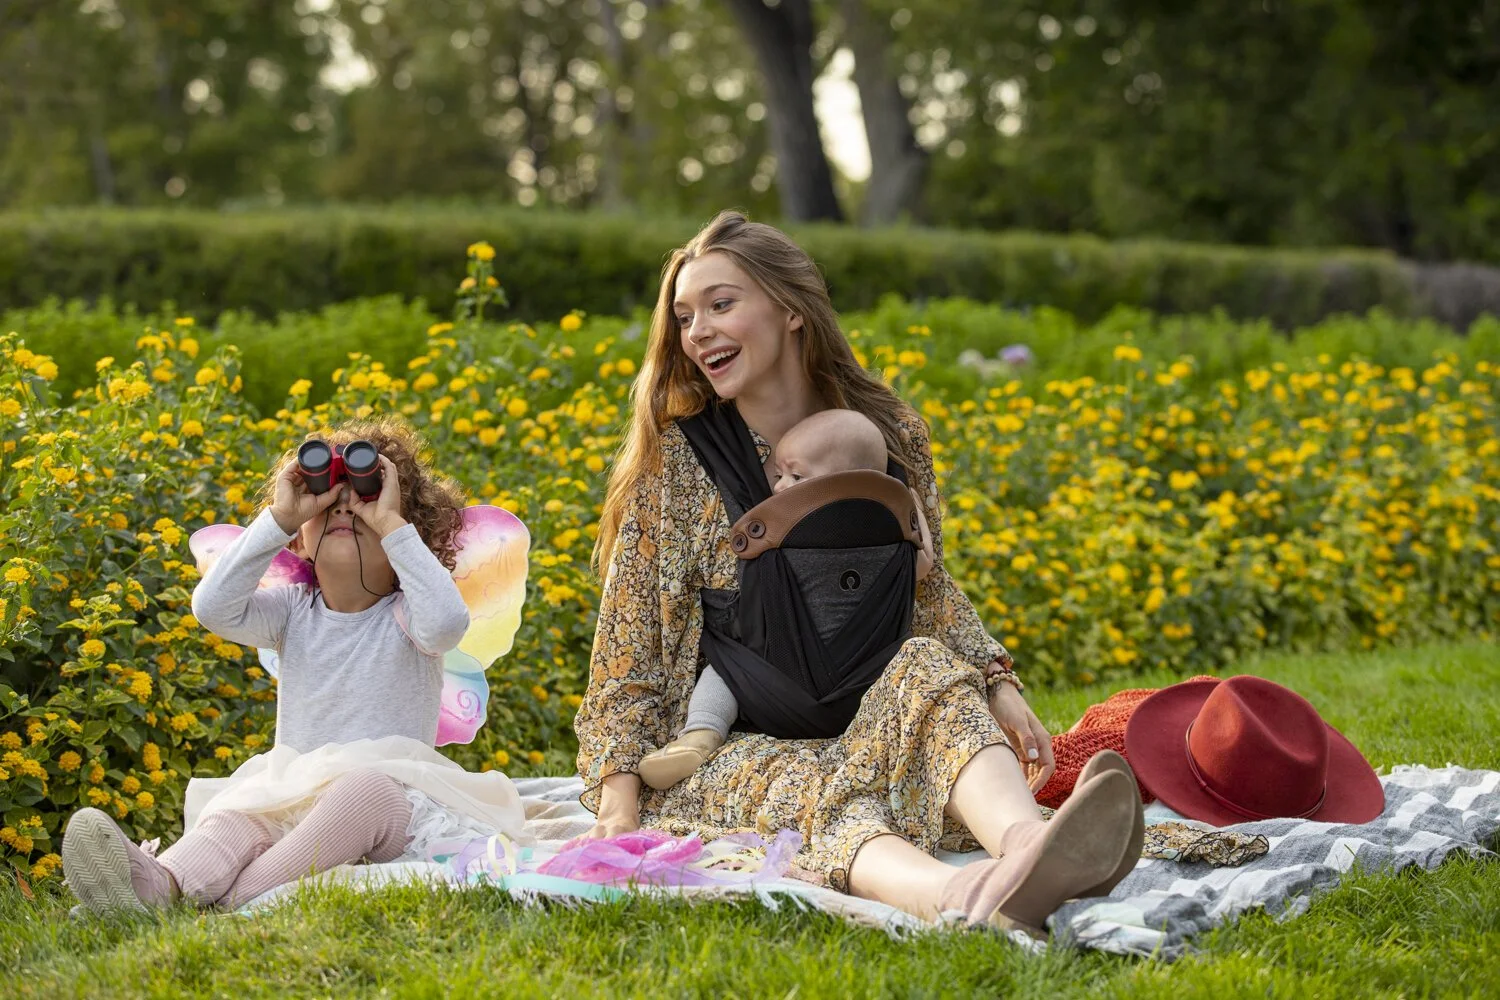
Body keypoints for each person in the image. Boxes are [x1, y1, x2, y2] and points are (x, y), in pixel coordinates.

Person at [573, 211, 1144, 935]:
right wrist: (619, 805)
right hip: (732, 746)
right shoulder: (678, 463)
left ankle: (1031, 845)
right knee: (814, 787)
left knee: (931, 670)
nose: (698, 332)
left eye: (721, 304)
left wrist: (995, 679)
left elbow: (926, 592)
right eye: (685, 317)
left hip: (871, 715)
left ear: (791, 310)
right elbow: (627, 654)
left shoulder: (890, 437)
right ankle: (962, 897)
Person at [62, 417, 523, 915]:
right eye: (328, 500)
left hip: (391, 807)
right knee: (239, 814)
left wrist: (391, 523)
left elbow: (447, 623)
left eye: (364, 500)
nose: (345, 507)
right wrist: (280, 518)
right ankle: (159, 885)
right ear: (299, 542)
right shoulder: (291, 611)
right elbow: (213, 608)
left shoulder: (409, 615)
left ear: (411, 543)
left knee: (364, 788)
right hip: (297, 800)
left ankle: (225, 903)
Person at [638, 407, 936, 789]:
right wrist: (909, 507)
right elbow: (921, 564)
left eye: (796, 476)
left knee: (727, 669)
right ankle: (700, 735)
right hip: (860, 691)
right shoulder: (892, 548)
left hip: (773, 684)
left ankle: (702, 731)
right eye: (779, 475)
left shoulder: (782, 539)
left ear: (846, 483)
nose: (779, 488)